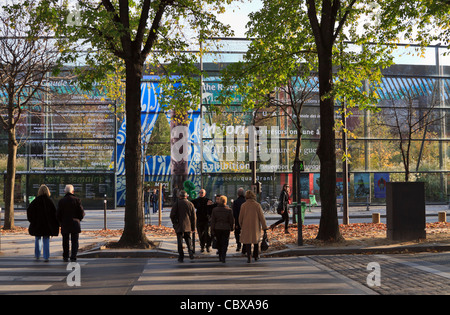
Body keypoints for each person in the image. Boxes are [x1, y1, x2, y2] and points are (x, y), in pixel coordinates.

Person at [26, 185, 59, 262]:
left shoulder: (35, 201)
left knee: (37, 238)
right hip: (47, 225)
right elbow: (54, 214)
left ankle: (37, 255)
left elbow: (29, 212)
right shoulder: (50, 202)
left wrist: (32, 221)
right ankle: (46, 256)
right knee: (46, 239)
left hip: (37, 224)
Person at [56, 185, 85, 262]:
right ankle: (73, 256)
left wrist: (60, 222)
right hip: (75, 223)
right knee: (74, 241)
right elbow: (81, 212)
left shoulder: (61, 201)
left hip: (65, 223)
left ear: (65, 191)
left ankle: (65, 255)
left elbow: (58, 214)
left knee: (65, 240)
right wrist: (79, 219)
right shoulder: (77, 200)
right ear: (73, 191)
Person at [239, 190, 268, 263]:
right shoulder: (257, 205)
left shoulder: (243, 205)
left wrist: (241, 225)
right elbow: (262, 217)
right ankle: (256, 255)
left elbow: (240, 217)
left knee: (247, 242)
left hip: (246, 226)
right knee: (256, 241)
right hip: (255, 226)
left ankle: (249, 256)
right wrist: (264, 227)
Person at [170, 190, 196, 262]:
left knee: (180, 241)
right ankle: (190, 252)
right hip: (188, 225)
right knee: (188, 239)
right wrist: (193, 227)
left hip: (179, 225)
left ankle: (181, 256)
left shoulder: (177, 204)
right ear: (186, 196)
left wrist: (175, 224)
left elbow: (172, 215)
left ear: (180, 196)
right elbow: (193, 217)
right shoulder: (190, 204)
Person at [210, 195, 234, 263]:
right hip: (226, 228)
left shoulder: (215, 210)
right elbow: (231, 220)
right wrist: (232, 228)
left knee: (219, 242)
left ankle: (220, 255)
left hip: (217, 228)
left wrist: (212, 229)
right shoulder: (229, 210)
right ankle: (223, 255)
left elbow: (213, 221)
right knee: (225, 242)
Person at [232, 187, 246, 253]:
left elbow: (235, 213)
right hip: (245, 221)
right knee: (245, 233)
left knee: (237, 233)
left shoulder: (235, 202)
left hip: (238, 220)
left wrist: (236, 223)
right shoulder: (246, 201)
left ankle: (239, 244)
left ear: (238, 194)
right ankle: (244, 245)